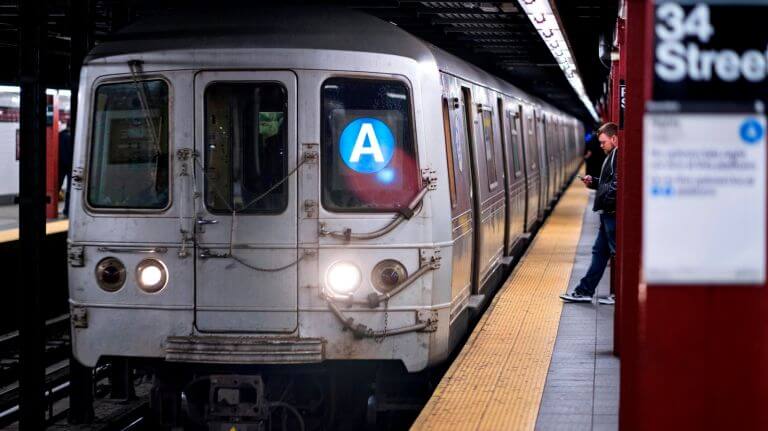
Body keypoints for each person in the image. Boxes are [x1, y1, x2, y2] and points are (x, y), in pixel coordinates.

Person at [560, 122, 618, 304]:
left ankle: (620, 294)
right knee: (599, 252)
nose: (601, 146)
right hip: (606, 213)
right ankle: (584, 291)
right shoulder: (613, 155)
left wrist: (606, 201)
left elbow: (617, 185)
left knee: (617, 254)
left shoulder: (618, 156)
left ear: (614, 139)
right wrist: (594, 181)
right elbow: (610, 182)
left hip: (611, 213)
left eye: (603, 142)